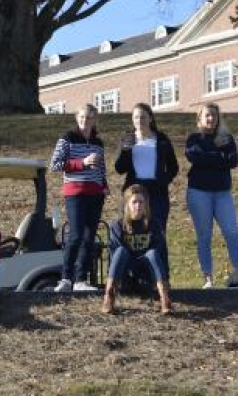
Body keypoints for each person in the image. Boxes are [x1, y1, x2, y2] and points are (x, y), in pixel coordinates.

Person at [185, 103, 238, 288]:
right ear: (200, 118)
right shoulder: (194, 138)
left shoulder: (226, 138)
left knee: (232, 232)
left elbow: (233, 161)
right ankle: (208, 278)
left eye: (214, 115)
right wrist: (219, 156)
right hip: (199, 192)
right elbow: (194, 157)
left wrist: (209, 156)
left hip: (222, 193)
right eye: (207, 115)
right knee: (204, 235)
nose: (211, 119)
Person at [50, 104, 109, 292]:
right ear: (77, 118)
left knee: (89, 236)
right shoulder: (67, 139)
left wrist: (104, 186)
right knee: (75, 235)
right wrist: (82, 163)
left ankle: (80, 280)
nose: (85, 121)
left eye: (89, 117)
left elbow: (101, 168)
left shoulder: (98, 143)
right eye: (82, 117)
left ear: (95, 119)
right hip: (75, 193)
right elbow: (55, 165)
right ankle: (66, 278)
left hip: (95, 194)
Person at [102, 185, 172, 314]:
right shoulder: (117, 226)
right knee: (121, 251)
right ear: (127, 204)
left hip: (146, 275)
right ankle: (109, 296)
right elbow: (114, 256)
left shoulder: (154, 225)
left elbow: (161, 254)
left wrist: (166, 277)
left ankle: (164, 297)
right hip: (124, 276)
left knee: (152, 253)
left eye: (141, 202)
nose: (138, 206)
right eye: (134, 202)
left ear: (146, 204)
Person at [114, 103, 179, 235]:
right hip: (134, 189)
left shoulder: (161, 139)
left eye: (143, 117)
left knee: (158, 231)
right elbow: (119, 168)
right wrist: (125, 150)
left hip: (157, 191)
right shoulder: (128, 138)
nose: (139, 121)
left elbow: (173, 166)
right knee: (131, 231)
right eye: (136, 117)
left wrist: (164, 180)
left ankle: (157, 256)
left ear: (150, 118)